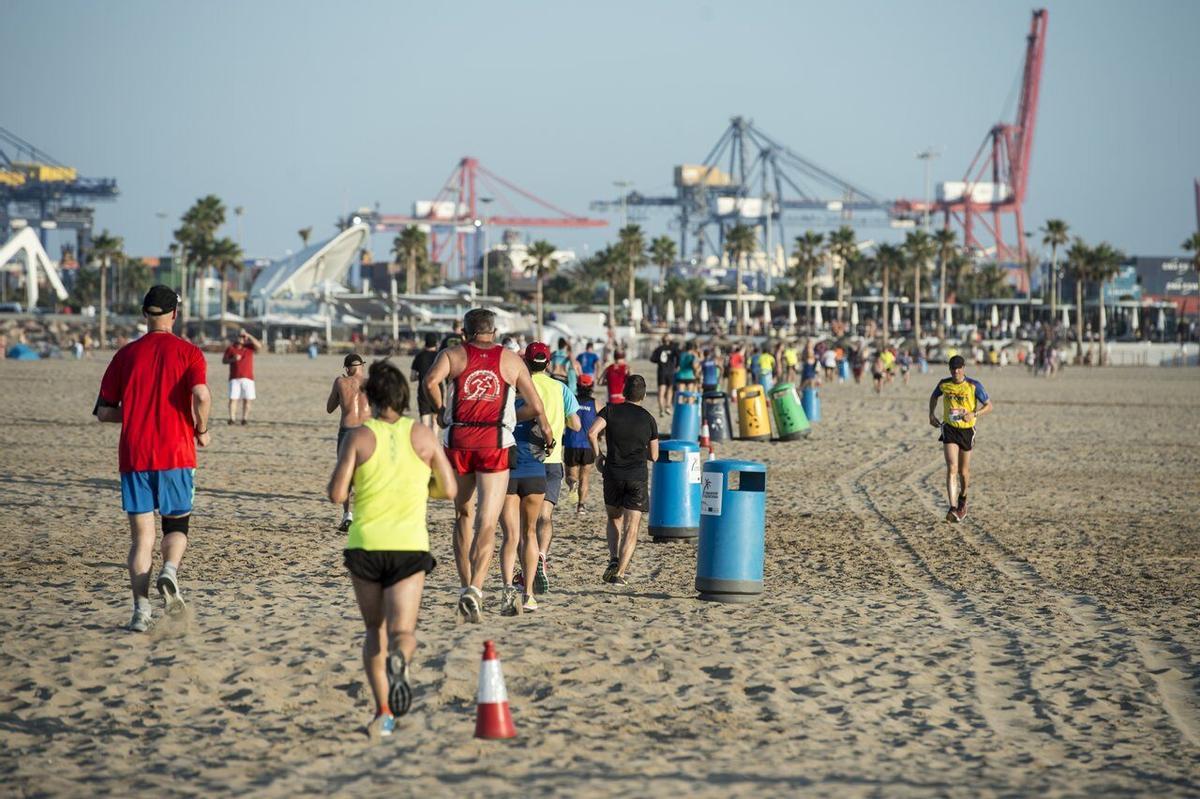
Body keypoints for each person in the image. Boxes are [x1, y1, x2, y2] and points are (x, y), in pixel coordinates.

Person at [327, 359, 455, 737]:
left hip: (366, 544)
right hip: (409, 545)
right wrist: (422, 487)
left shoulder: (359, 437)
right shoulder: (423, 435)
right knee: (403, 630)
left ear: (371, 396)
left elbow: (337, 494)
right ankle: (402, 659)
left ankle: (383, 713)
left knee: (373, 630)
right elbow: (448, 490)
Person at [94, 286, 211, 633]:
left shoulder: (125, 356)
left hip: (135, 454)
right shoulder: (190, 353)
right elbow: (201, 394)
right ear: (175, 314)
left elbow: (103, 412)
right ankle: (170, 571)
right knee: (176, 528)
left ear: (145, 314)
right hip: (175, 453)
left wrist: (133, 414)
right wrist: (201, 427)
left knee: (141, 539)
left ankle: (140, 612)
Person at [423, 309, 551, 623]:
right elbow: (536, 406)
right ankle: (478, 589)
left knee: (463, 514)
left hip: (459, 438)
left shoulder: (452, 354)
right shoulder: (509, 360)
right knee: (488, 521)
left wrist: (442, 411)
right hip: (495, 441)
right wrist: (509, 419)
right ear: (493, 332)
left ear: (464, 333)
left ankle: (466, 586)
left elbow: (429, 382)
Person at [587, 375, 659, 585]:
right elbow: (654, 456)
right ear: (643, 395)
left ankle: (613, 558)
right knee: (632, 527)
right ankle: (620, 574)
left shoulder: (610, 410)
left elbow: (592, 433)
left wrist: (598, 457)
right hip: (636, 476)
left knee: (613, 518)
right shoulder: (648, 419)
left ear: (624, 392)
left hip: (613, 473)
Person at [523, 342, 581, 595]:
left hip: (524, 460)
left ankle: (527, 565)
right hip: (552, 459)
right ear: (548, 364)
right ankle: (542, 557)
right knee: (545, 517)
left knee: (525, 522)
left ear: (525, 362)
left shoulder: (519, 386)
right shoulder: (561, 388)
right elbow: (577, 425)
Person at [498, 393, 549, 616]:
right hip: (534, 472)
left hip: (506, 471)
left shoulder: (500, 403)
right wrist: (549, 445)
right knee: (530, 533)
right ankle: (528, 594)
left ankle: (508, 588)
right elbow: (548, 433)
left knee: (510, 535)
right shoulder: (535, 404)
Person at [928, 354, 993, 523]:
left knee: (964, 472)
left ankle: (963, 499)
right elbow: (934, 397)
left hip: (967, 431)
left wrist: (974, 413)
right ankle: (952, 507)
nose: (956, 371)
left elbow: (989, 405)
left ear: (964, 368)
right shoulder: (944, 384)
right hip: (949, 429)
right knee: (952, 467)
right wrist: (931, 415)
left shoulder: (973, 385)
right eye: (953, 369)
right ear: (950, 370)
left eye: (959, 368)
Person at [327, 353, 370, 531]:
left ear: (346, 368)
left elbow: (329, 408)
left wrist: (341, 393)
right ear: (362, 366)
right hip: (367, 432)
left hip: (347, 431)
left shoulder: (340, 382)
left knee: (347, 475)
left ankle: (348, 516)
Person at [563, 374, 599, 518]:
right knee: (585, 477)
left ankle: (572, 483)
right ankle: (581, 506)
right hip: (588, 445)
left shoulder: (570, 401)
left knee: (571, 476)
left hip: (572, 442)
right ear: (591, 387)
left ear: (577, 386)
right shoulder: (596, 404)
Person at [222, 328, 262, 425]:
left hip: (248, 378)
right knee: (233, 399)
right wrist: (233, 359)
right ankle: (232, 418)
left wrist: (249, 335)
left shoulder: (249, 347)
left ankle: (244, 419)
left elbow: (259, 346)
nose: (241, 338)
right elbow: (224, 361)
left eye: (243, 337)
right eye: (240, 336)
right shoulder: (231, 348)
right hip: (234, 378)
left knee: (247, 400)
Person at [409, 332, 441, 429]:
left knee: (425, 422)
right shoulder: (440, 356)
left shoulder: (419, 356)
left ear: (425, 343)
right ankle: (434, 440)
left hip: (423, 390)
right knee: (435, 420)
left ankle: (426, 440)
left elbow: (412, 377)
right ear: (435, 343)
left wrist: (421, 376)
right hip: (438, 390)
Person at [649, 336, 678, 416]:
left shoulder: (659, 349)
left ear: (662, 341)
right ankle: (668, 407)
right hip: (670, 372)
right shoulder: (673, 348)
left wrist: (659, 361)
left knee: (661, 391)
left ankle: (661, 409)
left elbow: (652, 359)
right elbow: (678, 356)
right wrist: (677, 366)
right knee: (670, 390)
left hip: (661, 371)